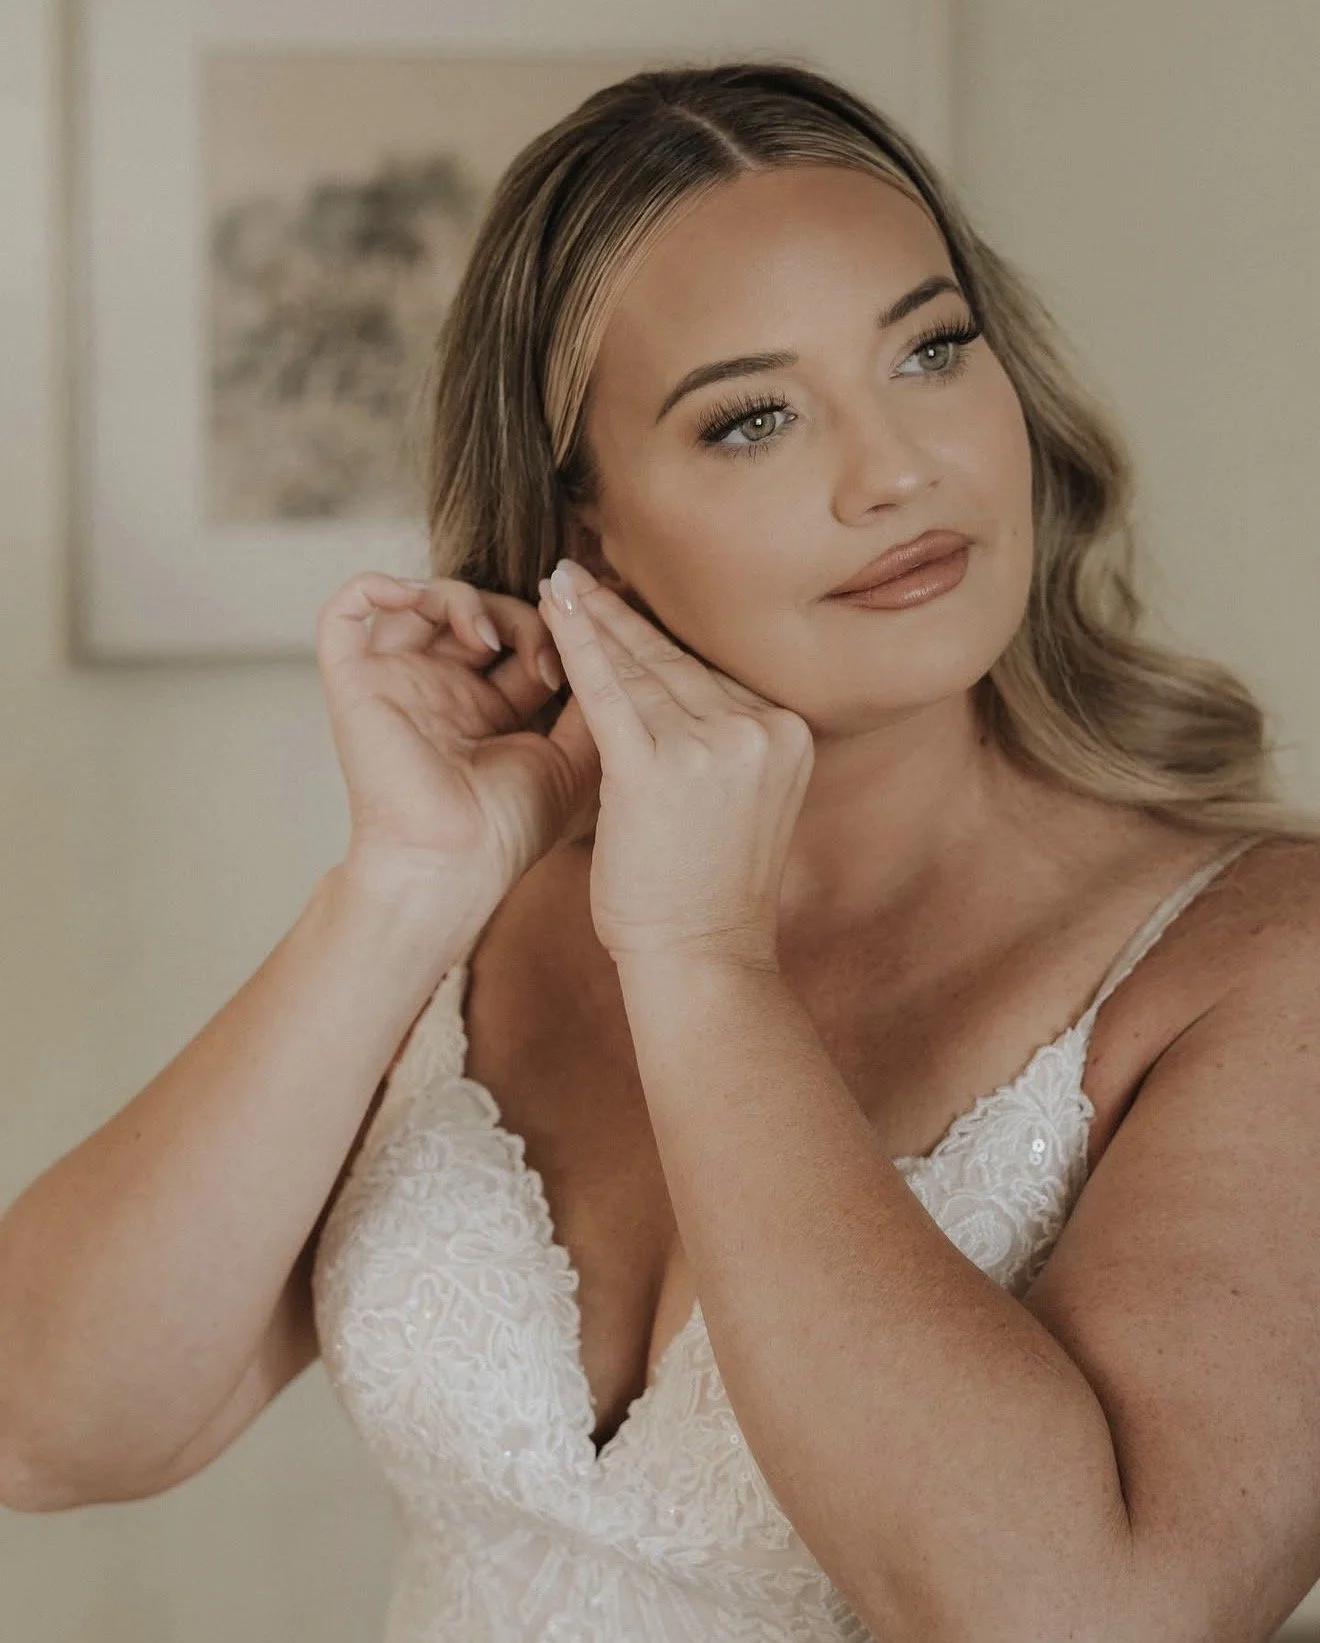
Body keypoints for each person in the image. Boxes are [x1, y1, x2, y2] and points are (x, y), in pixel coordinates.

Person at [4, 58, 1320, 1643]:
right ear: (588, 531)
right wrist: (405, 887)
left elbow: (1089, 1618)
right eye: (754, 417)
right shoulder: (487, 910)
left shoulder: (1262, 959)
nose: (898, 469)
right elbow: (46, 1426)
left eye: (930, 348)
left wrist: (703, 960)